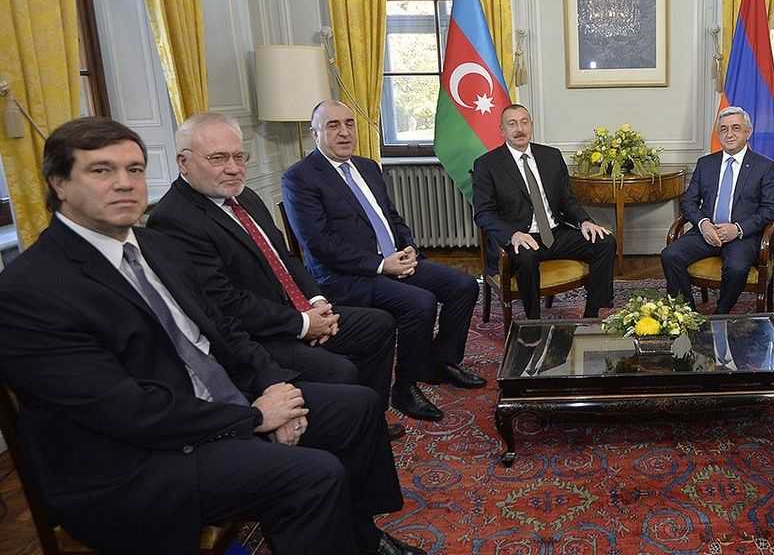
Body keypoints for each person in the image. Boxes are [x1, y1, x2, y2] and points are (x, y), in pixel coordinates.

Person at [0, 117, 428, 555]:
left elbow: (224, 334)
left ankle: (356, 537)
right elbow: (124, 411)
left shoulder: (149, 245)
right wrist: (254, 417)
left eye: (132, 169)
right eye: (101, 171)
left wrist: (278, 390)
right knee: (312, 477)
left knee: (353, 407)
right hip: (130, 467)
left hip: (209, 411)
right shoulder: (31, 290)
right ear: (58, 185)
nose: (124, 185)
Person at [148, 112, 405, 439]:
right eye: (218, 158)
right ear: (184, 163)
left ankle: (372, 419)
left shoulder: (243, 195)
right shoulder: (174, 219)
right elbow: (226, 304)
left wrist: (317, 301)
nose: (233, 167)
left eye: (239, 157)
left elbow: (286, 258)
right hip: (257, 334)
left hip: (295, 310)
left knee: (379, 325)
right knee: (342, 371)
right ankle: (346, 428)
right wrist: (303, 324)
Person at [282, 100, 484, 423]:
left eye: (349, 123)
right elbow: (319, 246)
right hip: (346, 276)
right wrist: (380, 264)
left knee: (463, 286)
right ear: (314, 132)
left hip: (393, 261)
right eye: (333, 126)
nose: (345, 132)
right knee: (420, 303)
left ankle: (441, 362)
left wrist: (408, 247)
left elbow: (390, 216)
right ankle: (404, 386)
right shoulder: (300, 178)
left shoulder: (367, 167)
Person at [472, 103, 616, 318]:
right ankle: (533, 321)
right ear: (502, 130)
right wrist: (512, 235)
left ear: (531, 125)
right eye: (512, 124)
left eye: (524, 122)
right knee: (527, 256)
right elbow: (483, 213)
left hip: (554, 233)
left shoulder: (551, 156)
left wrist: (584, 221)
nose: (519, 129)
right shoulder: (487, 164)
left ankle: (592, 313)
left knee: (605, 241)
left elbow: (568, 200)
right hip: (520, 237)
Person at [661, 106, 774, 313]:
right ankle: (686, 313)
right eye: (723, 129)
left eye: (736, 128)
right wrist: (703, 224)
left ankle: (720, 314)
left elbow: (770, 210)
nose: (729, 134)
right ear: (718, 134)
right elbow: (688, 201)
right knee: (670, 255)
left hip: (742, 235)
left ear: (747, 132)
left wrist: (738, 229)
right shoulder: (706, 163)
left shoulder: (764, 166)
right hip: (706, 232)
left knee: (736, 268)